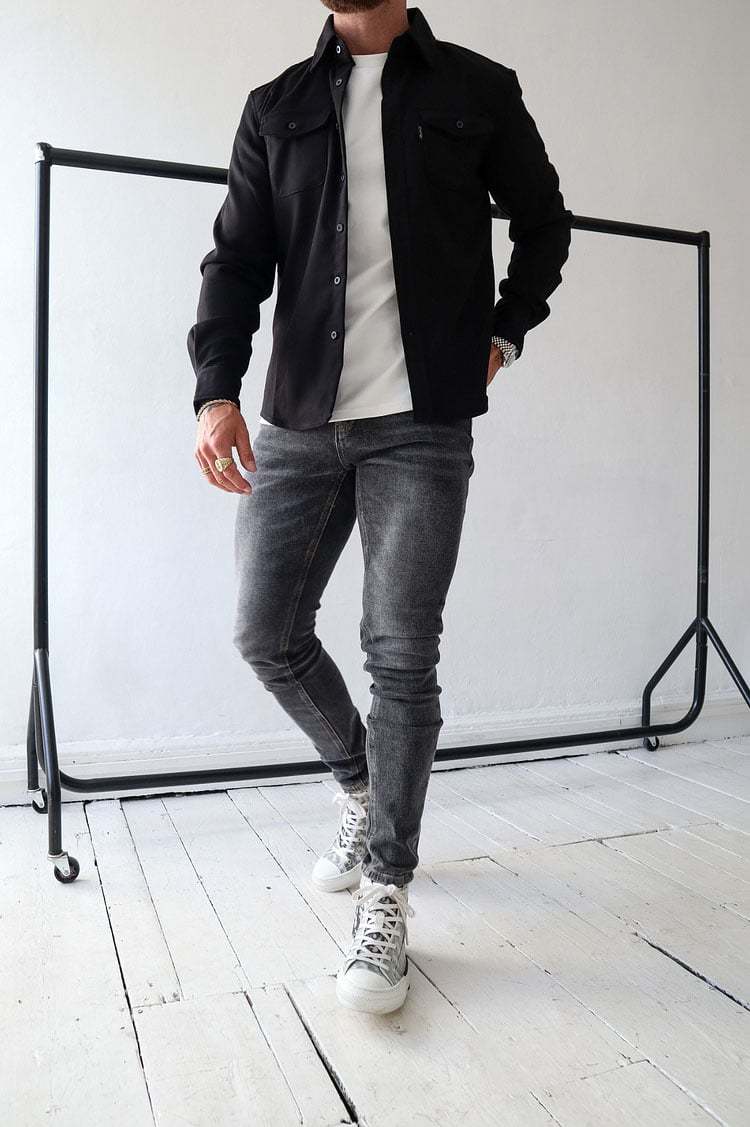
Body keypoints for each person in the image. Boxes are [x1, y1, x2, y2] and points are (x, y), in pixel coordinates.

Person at [187, 1, 572, 1014]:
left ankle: (388, 890)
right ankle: (364, 784)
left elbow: (545, 223)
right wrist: (216, 391)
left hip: (422, 421)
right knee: (264, 631)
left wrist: (506, 332)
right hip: (300, 419)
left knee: (400, 652)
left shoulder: (477, 89)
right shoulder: (275, 106)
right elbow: (236, 261)